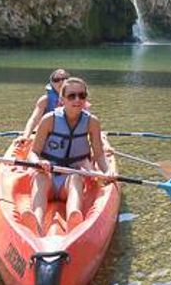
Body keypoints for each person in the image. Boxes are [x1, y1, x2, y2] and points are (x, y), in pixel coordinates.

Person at [24, 77, 112, 235]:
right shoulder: (48, 120)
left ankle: (74, 219)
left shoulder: (92, 122)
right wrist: (38, 163)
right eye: (71, 96)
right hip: (48, 177)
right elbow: (33, 153)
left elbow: (99, 155)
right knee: (40, 177)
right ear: (62, 99)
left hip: (70, 180)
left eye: (81, 95)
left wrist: (107, 171)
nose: (77, 100)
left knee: (76, 177)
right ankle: (36, 223)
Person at [20, 68, 69, 142]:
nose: (61, 81)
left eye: (64, 78)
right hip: (47, 133)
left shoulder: (76, 99)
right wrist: (26, 136)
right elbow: (34, 119)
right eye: (56, 79)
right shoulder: (45, 100)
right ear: (51, 82)